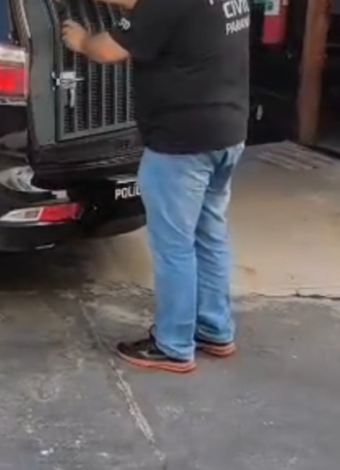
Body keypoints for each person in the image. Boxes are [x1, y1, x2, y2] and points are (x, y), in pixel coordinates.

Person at [62, 0, 250, 373]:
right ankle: (214, 329)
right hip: (227, 133)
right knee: (209, 235)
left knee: (174, 247)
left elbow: (106, 50)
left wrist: (81, 40)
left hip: (182, 144)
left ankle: (174, 344)